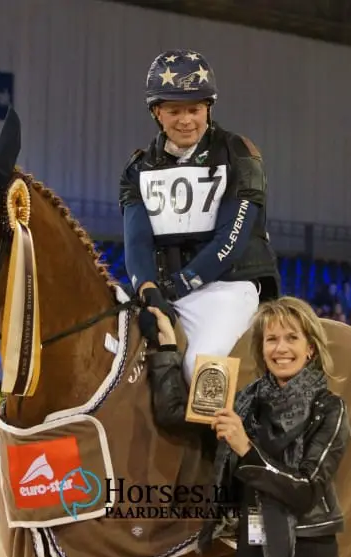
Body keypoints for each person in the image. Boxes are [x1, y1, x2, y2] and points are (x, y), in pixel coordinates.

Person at [119, 49, 281, 385]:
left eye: (194, 109)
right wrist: (149, 291)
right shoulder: (137, 169)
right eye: (174, 111)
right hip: (167, 290)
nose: (186, 120)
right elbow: (136, 241)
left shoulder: (238, 154)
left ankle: (223, 438)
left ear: (208, 108)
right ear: (156, 113)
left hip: (227, 288)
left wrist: (175, 286)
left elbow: (231, 241)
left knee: (200, 366)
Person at [147, 296, 351, 557]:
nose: (281, 348)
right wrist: (167, 349)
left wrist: (245, 448)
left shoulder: (330, 408)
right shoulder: (244, 401)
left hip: (309, 544)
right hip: (251, 541)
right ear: (262, 348)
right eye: (272, 339)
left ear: (310, 348)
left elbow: (306, 490)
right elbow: (174, 415)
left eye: (292, 338)